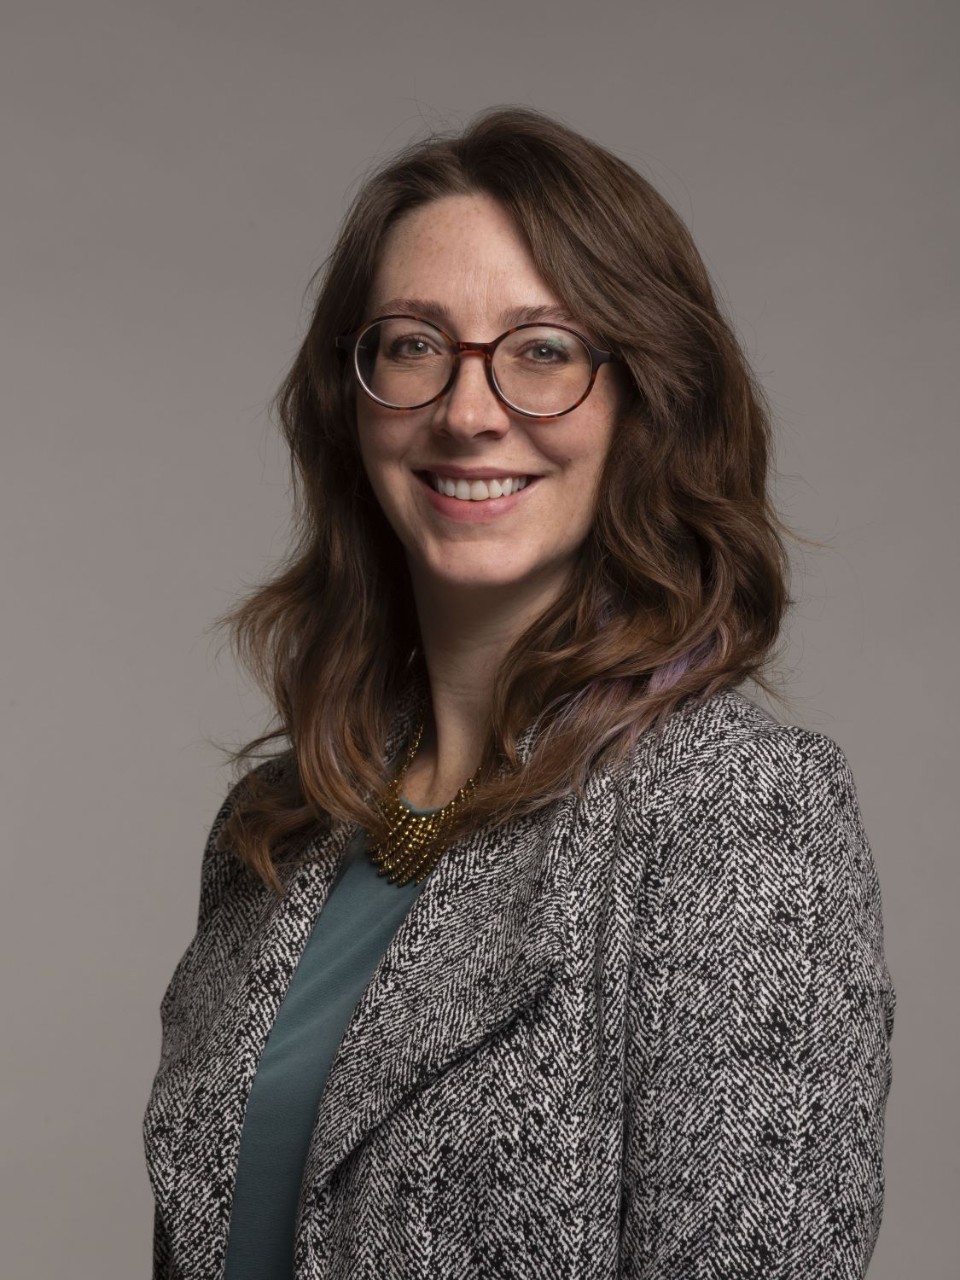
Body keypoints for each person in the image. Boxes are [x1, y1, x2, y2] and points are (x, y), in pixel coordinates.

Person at [143, 106, 896, 1279]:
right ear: (353, 402)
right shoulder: (267, 833)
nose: (468, 407)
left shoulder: (735, 811)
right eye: (412, 344)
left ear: (645, 403)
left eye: (542, 348)